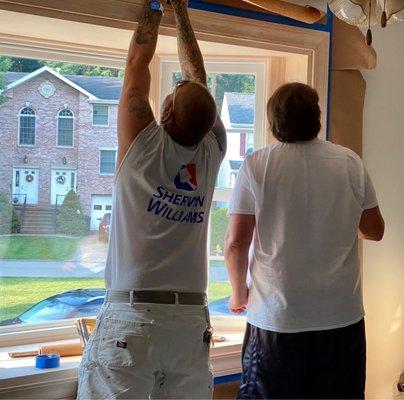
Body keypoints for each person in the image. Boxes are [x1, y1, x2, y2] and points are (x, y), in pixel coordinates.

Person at [77, 0, 226, 398]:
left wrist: (157, 6)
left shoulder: (142, 146)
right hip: (191, 321)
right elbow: (199, 81)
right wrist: (184, 12)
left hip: (134, 316)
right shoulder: (212, 152)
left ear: (165, 114)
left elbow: (135, 69)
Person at [225, 82, 384, 399]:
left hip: (276, 318)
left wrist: (238, 294)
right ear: (317, 118)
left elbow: (235, 243)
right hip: (341, 318)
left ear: (273, 122)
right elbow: (374, 230)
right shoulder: (350, 162)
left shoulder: (257, 165)